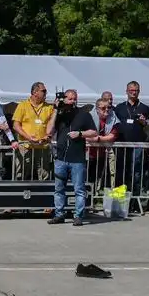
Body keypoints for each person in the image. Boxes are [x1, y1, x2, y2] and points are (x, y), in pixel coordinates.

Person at [48, 89, 94, 226]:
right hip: (61, 158)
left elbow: (93, 131)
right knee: (59, 189)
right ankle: (59, 214)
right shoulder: (60, 114)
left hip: (77, 159)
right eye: (69, 99)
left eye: (74, 99)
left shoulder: (84, 114)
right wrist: (56, 110)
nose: (72, 101)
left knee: (79, 189)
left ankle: (79, 216)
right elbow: (49, 131)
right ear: (64, 99)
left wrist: (80, 134)